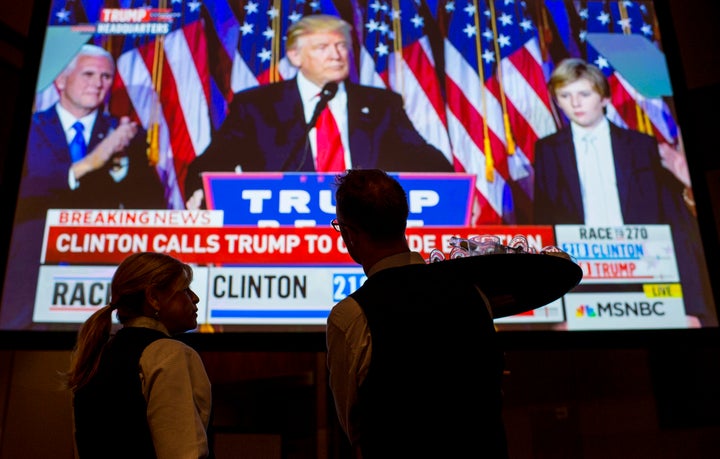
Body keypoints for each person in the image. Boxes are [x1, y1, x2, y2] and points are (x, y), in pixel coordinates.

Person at [326, 169, 508, 458]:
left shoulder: (350, 317)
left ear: (349, 234)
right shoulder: (475, 295)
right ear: (402, 221)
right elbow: (493, 396)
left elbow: (357, 434)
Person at [184, 14, 453, 210]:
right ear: (295, 56)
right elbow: (215, 159)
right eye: (322, 48)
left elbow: (422, 156)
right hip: (284, 227)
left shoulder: (382, 104)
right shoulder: (257, 106)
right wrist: (199, 186)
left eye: (341, 46)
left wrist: (455, 189)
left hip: (363, 222)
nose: (336, 55)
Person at [531, 57, 715, 327]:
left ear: (604, 98)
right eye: (565, 95)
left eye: (584, 94)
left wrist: (692, 307)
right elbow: (545, 223)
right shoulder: (547, 150)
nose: (576, 103)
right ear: (557, 101)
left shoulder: (642, 146)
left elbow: (673, 226)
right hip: (581, 275)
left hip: (648, 269)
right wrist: (554, 308)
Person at [0, 44, 166, 329]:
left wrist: (118, 167)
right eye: (88, 74)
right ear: (61, 81)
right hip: (28, 271)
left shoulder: (125, 135)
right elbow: (23, 190)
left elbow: (152, 204)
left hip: (98, 275)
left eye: (105, 76)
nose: (98, 83)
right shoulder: (29, 129)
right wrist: (89, 163)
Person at [62, 251, 212, 459]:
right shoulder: (168, 353)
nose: (195, 298)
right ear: (153, 298)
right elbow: (184, 453)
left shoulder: (95, 357)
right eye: (185, 290)